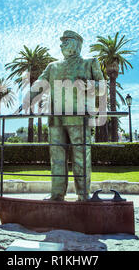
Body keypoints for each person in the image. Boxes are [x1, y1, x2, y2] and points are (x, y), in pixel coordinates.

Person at [25, 30, 105, 201]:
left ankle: (83, 194)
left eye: (66, 41)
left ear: (77, 43)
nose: (61, 44)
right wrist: (27, 100)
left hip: (79, 118)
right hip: (56, 119)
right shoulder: (52, 66)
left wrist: (88, 85)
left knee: (81, 157)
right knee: (57, 158)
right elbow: (40, 84)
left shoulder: (90, 63)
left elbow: (102, 87)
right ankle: (57, 193)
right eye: (61, 42)